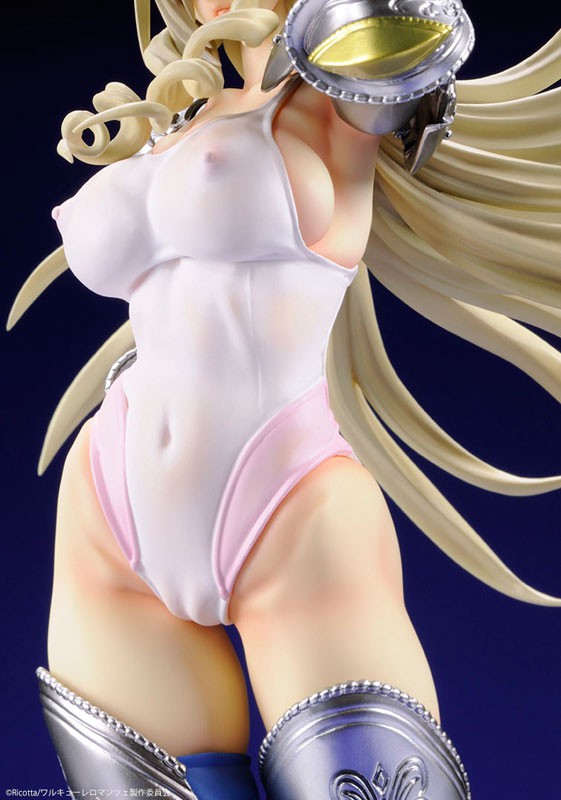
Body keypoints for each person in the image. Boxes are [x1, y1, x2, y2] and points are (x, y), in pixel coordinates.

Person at [9, 1, 561, 797]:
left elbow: (412, 42)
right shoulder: (186, 112)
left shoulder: (346, 98)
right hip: (106, 509)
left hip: (286, 508)